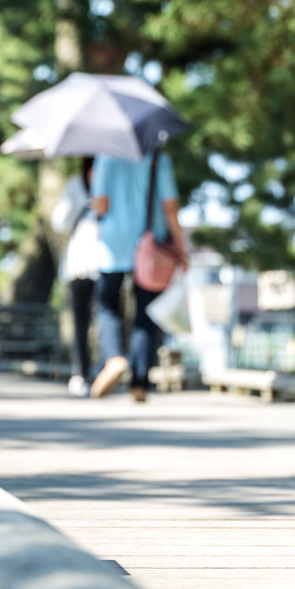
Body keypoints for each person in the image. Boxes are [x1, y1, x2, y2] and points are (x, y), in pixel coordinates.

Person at [90, 149, 187, 401]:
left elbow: (100, 204)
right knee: (145, 312)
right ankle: (139, 383)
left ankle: (114, 358)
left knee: (107, 305)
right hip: (150, 245)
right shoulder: (158, 158)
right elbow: (170, 206)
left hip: (113, 243)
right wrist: (181, 246)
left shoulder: (106, 156)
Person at [51, 158, 100, 397]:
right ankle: (84, 371)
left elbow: (59, 222)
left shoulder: (76, 185)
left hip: (90, 260)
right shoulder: (78, 185)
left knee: (93, 319)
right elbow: (59, 222)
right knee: (86, 319)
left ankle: (91, 371)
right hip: (90, 261)